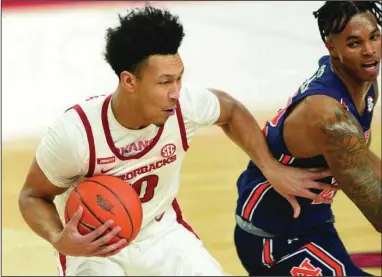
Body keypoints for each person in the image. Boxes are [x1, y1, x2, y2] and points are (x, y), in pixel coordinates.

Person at [18, 6, 332, 276]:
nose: (175, 92)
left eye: (179, 78)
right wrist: (59, 238)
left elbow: (231, 111)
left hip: (161, 234)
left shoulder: (185, 107)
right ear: (129, 81)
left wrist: (269, 167)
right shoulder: (75, 134)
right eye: (165, 82)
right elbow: (32, 196)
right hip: (94, 247)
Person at [234, 1, 381, 276]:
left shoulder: (364, 79)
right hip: (273, 241)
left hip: (315, 223)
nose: (369, 50)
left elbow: (358, 156)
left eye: (374, 36)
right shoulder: (329, 117)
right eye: (354, 43)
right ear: (331, 47)